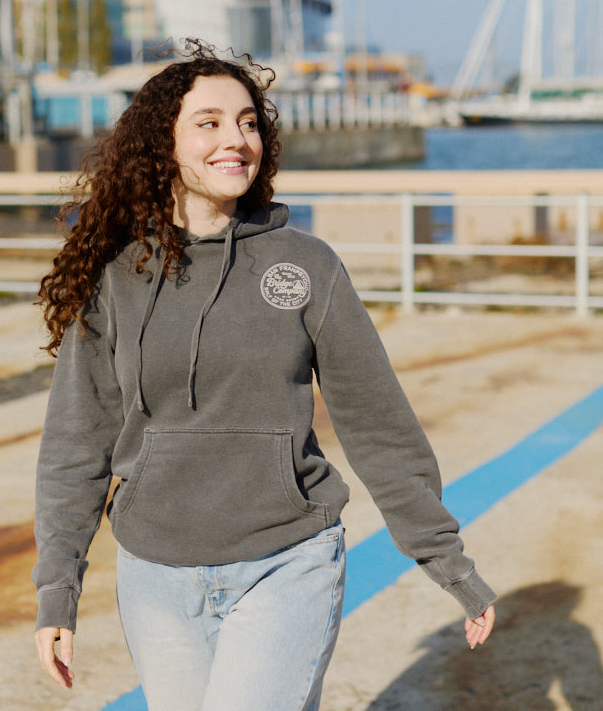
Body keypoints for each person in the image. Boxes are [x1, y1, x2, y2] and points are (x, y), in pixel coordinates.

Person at [32, 41, 496, 710]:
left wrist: (444, 558)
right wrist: (58, 590)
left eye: (249, 121)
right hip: (155, 574)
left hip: (288, 561)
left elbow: (376, 421)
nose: (237, 139)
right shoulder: (119, 277)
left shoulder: (306, 266)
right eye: (210, 122)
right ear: (164, 144)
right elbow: (77, 441)